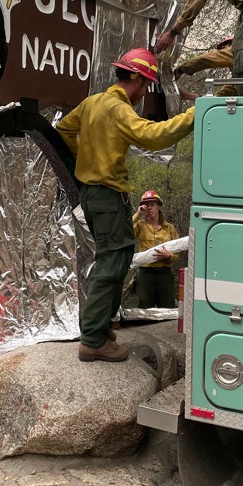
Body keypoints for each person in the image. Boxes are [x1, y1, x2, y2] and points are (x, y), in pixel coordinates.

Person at [56, 48, 195, 362]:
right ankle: (93, 339)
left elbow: (64, 128)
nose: (145, 92)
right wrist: (194, 115)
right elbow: (153, 136)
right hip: (107, 195)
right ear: (134, 78)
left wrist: (85, 160)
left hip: (94, 195)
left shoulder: (92, 103)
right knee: (113, 264)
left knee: (111, 260)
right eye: (145, 85)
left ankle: (100, 331)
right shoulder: (118, 109)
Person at [132, 190, 180, 308]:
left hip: (165, 274)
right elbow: (125, 231)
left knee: (167, 308)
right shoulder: (140, 225)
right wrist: (137, 215)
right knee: (145, 309)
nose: (149, 208)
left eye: (152, 204)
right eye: (146, 205)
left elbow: (178, 252)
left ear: (159, 205)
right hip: (145, 274)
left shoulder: (170, 228)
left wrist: (169, 256)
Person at [174, 35, 236, 100]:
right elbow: (220, 97)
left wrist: (180, 70)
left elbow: (204, 60)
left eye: (222, 49)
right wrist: (188, 96)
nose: (221, 51)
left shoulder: (234, 52)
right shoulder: (240, 78)